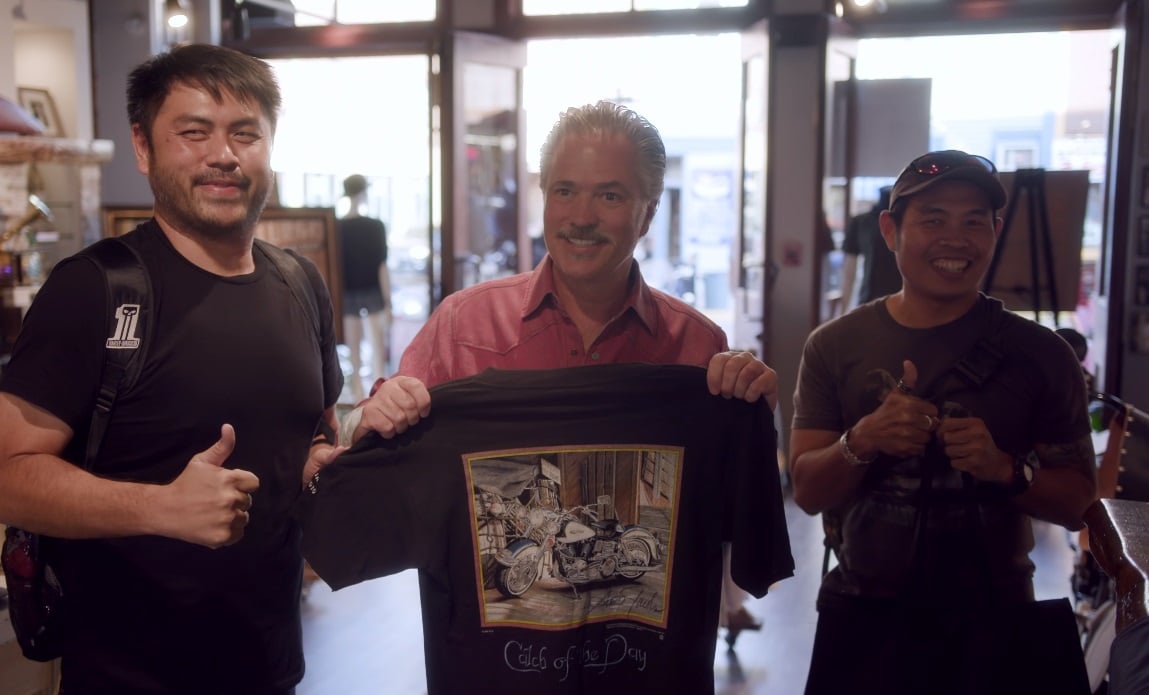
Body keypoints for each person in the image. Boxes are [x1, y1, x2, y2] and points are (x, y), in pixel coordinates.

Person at [341, 100, 780, 643]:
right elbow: (365, 444)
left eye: (611, 195)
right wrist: (367, 418)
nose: (581, 216)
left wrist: (753, 414)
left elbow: (735, 517)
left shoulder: (697, 346)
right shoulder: (462, 326)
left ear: (648, 212)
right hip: (494, 671)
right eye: (564, 191)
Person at [0, 43, 348, 694]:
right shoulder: (95, 289)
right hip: (127, 673)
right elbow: (7, 475)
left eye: (245, 133)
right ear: (143, 147)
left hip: (273, 664)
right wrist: (160, 508)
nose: (223, 154)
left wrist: (322, 465)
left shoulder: (300, 282)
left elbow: (310, 438)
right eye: (193, 132)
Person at [789, 150, 1098, 694]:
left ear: (995, 231)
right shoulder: (834, 346)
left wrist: (1004, 470)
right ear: (890, 230)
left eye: (974, 221)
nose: (956, 239)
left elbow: (1078, 505)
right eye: (933, 219)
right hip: (864, 617)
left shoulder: (1043, 355)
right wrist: (863, 439)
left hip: (994, 619)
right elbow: (808, 491)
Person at [338, 173, 391, 401]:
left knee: (354, 352)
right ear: (362, 193)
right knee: (377, 351)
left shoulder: (337, 227)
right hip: (371, 293)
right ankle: (381, 394)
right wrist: (389, 301)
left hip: (347, 293)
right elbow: (381, 266)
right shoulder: (375, 226)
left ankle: (359, 395)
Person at [837, 185, 901, 315]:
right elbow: (849, 271)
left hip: (904, 299)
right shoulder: (861, 222)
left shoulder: (907, 222)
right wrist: (843, 312)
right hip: (870, 298)